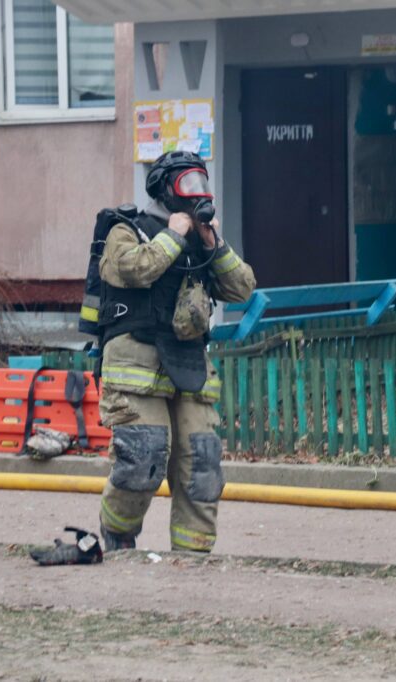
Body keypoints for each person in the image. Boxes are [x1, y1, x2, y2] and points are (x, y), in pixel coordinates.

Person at [96, 150, 256, 553]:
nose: (197, 194)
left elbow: (241, 288)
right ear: (165, 188)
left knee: (201, 463)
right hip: (137, 362)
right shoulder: (126, 227)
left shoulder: (202, 242)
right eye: (188, 184)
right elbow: (133, 269)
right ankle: (118, 538)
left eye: (202, 185)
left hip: (188, 365)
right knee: (143, 457)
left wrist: (212, 244)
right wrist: (174, 234)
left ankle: (193, 559)